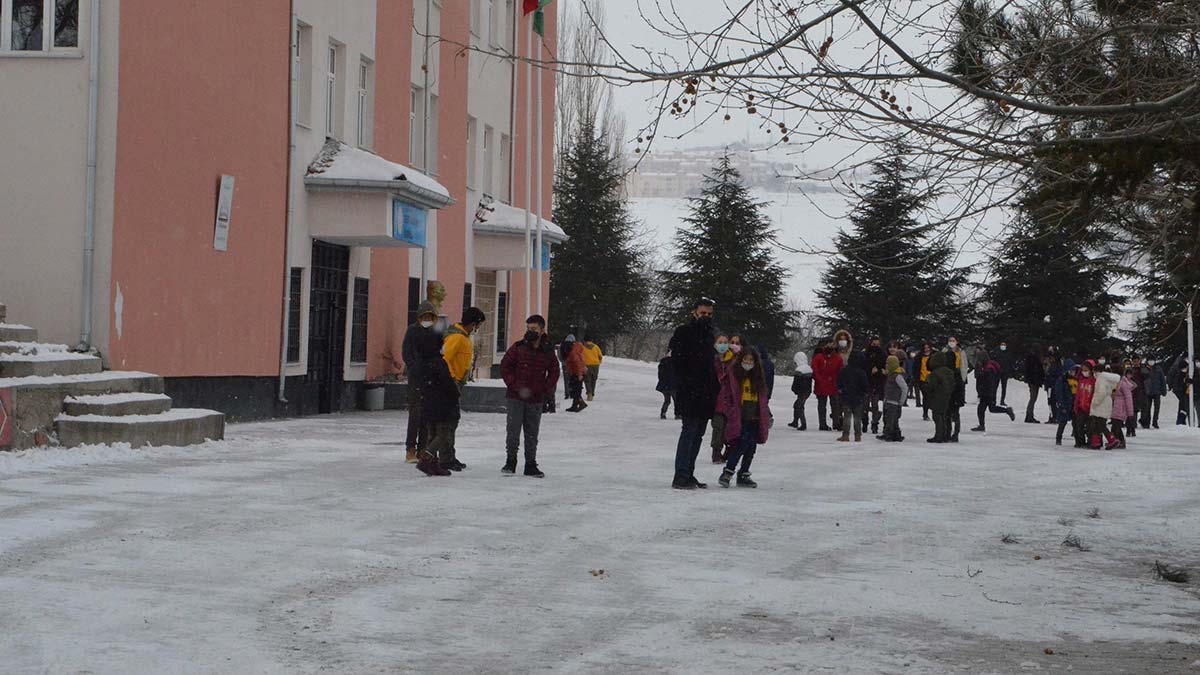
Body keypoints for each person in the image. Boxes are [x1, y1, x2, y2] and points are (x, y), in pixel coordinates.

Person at [499, 315, 560, 477]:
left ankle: (530, 464)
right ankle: (510, 462)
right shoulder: (518, 348)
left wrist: (545, 389)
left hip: (536, 399)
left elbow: (554, 371)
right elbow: (505, 366)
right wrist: (513, 384)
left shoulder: (547, 351)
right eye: (528, 329)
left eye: (534, 329)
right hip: (515, 397)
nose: (530, 332)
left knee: (532, 432)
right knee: (513, 431)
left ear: (542, 330)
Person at [670, 299, 720, 490]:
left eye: (709, 314)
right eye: (702, 313)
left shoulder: (710, 335)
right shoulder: (684, 332)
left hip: (706, 393)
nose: (706, 317)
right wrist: (685, 383)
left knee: (698, 435)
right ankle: (681, 474)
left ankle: (688, 473)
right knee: (689, 432)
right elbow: (677, 361)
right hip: (690, 391)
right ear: (694, 313)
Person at [715, 346, 771, 488]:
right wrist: (731, 411)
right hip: (740, 418)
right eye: (745, 359)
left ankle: (744, 473)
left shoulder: (758, 379)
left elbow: (763, 400)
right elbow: (727, 395)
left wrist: (766, 414)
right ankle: (728, 472)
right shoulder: (734, 376)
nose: (748, 362)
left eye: (751, 360)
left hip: (755, 418)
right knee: (741, 445)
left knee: (751, 447)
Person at [438, 307, 485, 470]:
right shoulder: (456, 337)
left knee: (452, 421)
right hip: (450, 384)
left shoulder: (463, 337)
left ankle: (449, 455)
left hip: (455, 383)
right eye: (477, 325)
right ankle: (444, 458)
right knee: (448, 422)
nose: (477, 329)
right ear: (473, 324)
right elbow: (444, 359)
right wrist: (450, 380)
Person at [413, 330, 458, 477]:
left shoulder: (422, 362)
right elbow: (447, 383)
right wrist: (454, 393)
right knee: (443, 434)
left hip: (427, 402)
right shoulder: (439, 363)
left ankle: (433, 463)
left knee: (432, 433)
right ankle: (427, 458)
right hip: (442, 403)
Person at [400, 301, 439, 464]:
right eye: (425, 316)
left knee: (427, 415)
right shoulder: (412, 331)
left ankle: (423, 449)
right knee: (415, 414)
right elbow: (406, 352)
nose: (427, 319)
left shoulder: (435, 332)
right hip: (416, 378)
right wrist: (414, 367)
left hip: (430, 379)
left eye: (430, 316)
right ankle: (410, 449)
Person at [710, 335, 742, 463]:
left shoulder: (734, 361)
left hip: (731, 401)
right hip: (717, 400)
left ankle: (728, 450)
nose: (722, 345)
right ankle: (716, 451)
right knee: (718, 427)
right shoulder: (712, 360)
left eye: (725, 342)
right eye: (720, 342)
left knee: (730, 428)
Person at [970, 350, 1016, 432]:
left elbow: (986, 380)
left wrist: (986, 391)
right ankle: (1006, 411)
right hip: (989, 392)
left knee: (984, 409)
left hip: (987, 392)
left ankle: (982, 425)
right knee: (990, 408)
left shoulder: (988, 368)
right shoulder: (989, 365)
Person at [836, 350, 869, 442]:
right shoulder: (861, 372)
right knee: (857, 418)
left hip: (846, 396)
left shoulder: (844, 370)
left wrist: (841, 390)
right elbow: (865, 385)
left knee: (847, 417)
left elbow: (839, 382)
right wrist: (864, 392)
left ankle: (845, 435)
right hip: (858, 397)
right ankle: (858, 436)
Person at [924, 351, 956, 443]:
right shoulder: (949, 371)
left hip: (937, 396)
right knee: (944, 416)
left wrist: (926, 386)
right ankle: (946, 434)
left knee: (937, 416)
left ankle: (939, 435)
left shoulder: (935, 373)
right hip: (947, 396)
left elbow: (931, 385)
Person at [811, 339, 842, 431]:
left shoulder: (837, 358)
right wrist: (820, 379)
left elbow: (840, 372)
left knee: (835, 405)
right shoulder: (818, 357)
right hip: (822, 385)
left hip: (833, 385)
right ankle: (823, 423)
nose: (830, 347)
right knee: (822, 405)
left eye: (832, 345)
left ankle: (836, 423)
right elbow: (814, 370)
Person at [1089, 366, 1121, 450]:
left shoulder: (1100, 379)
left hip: (1101, 405)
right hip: (1106, 403)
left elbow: (1101, 392)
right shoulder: (1106, 379)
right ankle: (1095, 442)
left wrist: (1095, 401)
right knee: (1096, 424)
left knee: (1100, 424)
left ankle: (1112, 440)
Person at [879, 354, 908, 441]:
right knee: (888, 418)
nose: (886, 365)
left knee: (891, 420)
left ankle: (890, 434)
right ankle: (893, 434)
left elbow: (904, 388)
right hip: (888, 401)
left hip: (894, 402)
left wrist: (901, 401)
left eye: (888, 364)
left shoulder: (897, 376)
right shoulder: (890, 375)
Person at [1051, 359, 1078, 446]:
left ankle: (1077, 438)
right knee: (1063, 422)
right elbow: (1059, 394)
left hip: (1074, 404)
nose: (1073, 372)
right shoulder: (1062, 380)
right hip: (1065, 404)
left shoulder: (1076, 380)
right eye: (1072, 370)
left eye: (1074, 370)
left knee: (1076, 422)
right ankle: (1058, 438)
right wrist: (1062, 405)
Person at [864, 337, 887, 435]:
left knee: (875, 405)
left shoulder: (883, 355)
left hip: (877, 383)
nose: (876, 346)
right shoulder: (865, 354)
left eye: (877, 344)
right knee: (864, 406)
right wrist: (870, 370)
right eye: (874, 344)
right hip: (866, 382)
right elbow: (863, 367)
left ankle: (875, 424)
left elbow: (884, 368)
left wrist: (879, 371)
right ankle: (864, 423)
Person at [1072, 361, 1097, 448]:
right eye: (1083, 370)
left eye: (1086, 370)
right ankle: (1080, 441)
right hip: (1081, 408)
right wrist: (1076, 406)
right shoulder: (1081, 381)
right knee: (1079, 425)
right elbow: (1078, 395)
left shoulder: (1094, 381)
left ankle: (1091, 441)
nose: (1084, 372)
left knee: (1091, 427)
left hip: (1091, 408)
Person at [1111, 366, 1136, 449]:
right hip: (1115, 407)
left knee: (1116, 425)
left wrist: (1130, 413)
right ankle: (1116, 440)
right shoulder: (1114, 382)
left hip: (1121, 408)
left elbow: (1128, 398)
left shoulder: (1123, 384)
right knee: (1114, 426)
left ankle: (1121, 441)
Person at [787, 351, 813, 430]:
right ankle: (795, 421)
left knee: (799, 406)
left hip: (801, 392)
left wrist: (794, 389)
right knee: (797, 405)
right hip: (807, 391)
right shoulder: (809, 369)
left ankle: (803, 424)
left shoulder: (799, 370)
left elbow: (796, 382)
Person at [563, 335, 588, 412]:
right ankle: (576, 404)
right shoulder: (576, 348)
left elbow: (577, 363)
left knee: (575, 389)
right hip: (576, 372)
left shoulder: (572, 351)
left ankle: (579, 404)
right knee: (575, 389)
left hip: (576, 372)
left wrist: (579, 374)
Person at [1023, 345, 1045, 423]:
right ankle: (1029, 415)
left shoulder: (1030, 358)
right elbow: (1036, 370)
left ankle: (1029, 415)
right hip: (1034, 381)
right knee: (1033, 398)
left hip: (1033, 380)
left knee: (1033, 398)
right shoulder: (1033, 359)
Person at [1146, 356, 1166, 428]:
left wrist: (1164, 390)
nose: (1151, 362)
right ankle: (1147, 422)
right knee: (1147, 408)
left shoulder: (1158, 369)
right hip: (1147, 392)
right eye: (1150, 360)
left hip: (1157, 391)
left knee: (1157, 408)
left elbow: (1162, 380)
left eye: (1152, 360)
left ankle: (1155, 422)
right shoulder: (1145, 369)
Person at [656, 351, 677, 419]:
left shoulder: (662, 363)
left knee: (667, 401)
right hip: (673, 385)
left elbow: (660, 375)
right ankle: (677, 414)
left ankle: (663, 413)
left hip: (664, 386)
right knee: (676, 401)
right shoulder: (675, 363)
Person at [994, 340, 1014, 406]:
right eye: (1002, 345)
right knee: (995, 387)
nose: (1003, 346)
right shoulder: (996, 352)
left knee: (1004, 387)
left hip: (1005, 372)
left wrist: (1009, 371)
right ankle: (993, 400)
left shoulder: (1008, 353)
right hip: (997, 372)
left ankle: (1002, 401)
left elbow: (1010, 363)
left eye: (1004, 345)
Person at [918, 343, 934, 420]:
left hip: (933, 380)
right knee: (926, 397)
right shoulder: (919, 357)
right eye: (925, 348)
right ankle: (925, 413)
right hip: (923, 380)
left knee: (933, 397)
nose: (927, 349)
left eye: (928, 348)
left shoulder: (934, 356)